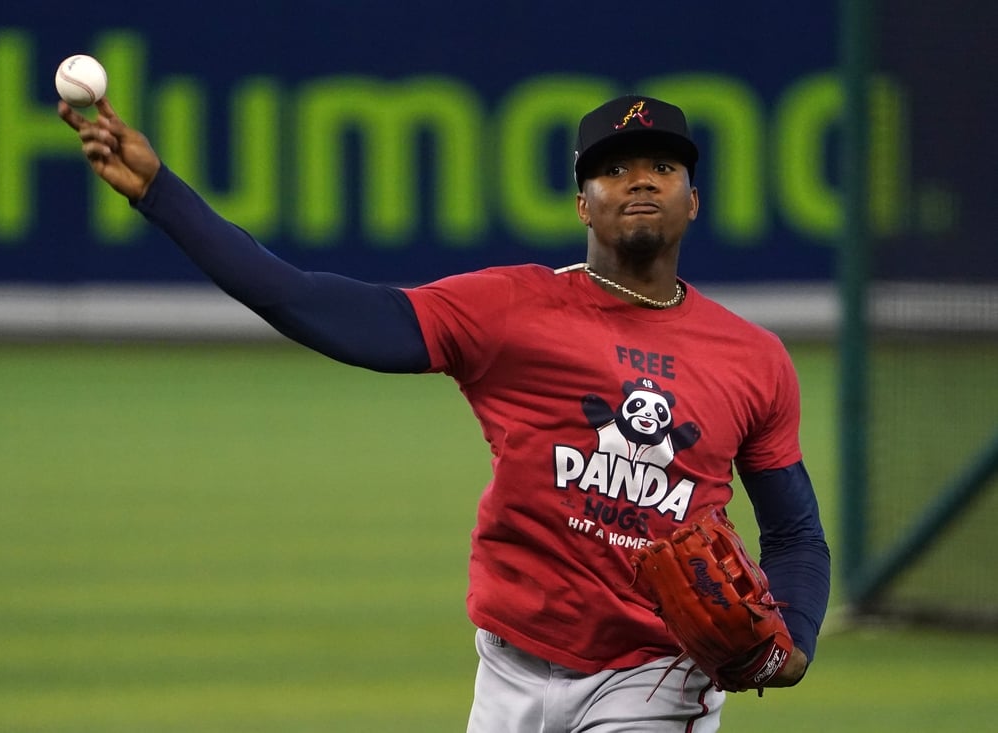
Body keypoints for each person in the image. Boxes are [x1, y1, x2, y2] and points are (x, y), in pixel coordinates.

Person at [60, 93, 831, 731]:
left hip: (655, 675)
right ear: (581, 205)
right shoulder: (510, 310)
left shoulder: (753, 358)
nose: (639, 181)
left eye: (663, 166)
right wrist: (165, 197)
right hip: (511, 666)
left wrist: (793, 637)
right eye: (612, 169)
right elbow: (306, 301)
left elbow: (793, 526)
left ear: (693, 200)